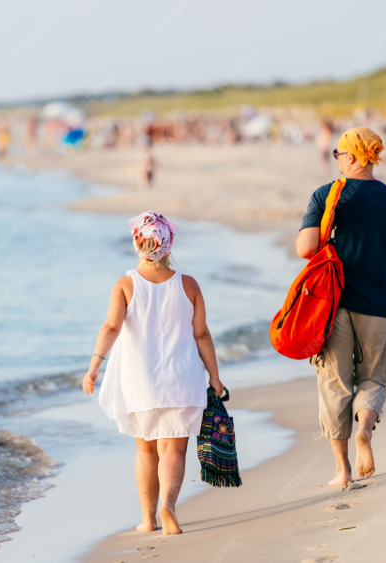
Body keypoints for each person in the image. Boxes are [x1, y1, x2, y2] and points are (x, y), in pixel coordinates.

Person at [295, 127, 386, 486]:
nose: (336, 159)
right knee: (373, 376)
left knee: (335, 383)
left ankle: (342, 471)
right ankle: (364, 429)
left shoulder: (326, 195)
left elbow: (305, 249)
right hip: (379, 306)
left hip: (332, 306)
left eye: (339, 154)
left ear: (351, 157)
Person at [83, 211, 225, 534]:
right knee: (174, 448)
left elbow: (111, 326)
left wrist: (94, 366)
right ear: (169, 244)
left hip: (140, 381)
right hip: (182, 377)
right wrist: (214, 377)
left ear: (137, 243)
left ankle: (147, 519)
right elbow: (202, 335)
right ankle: (168, 506)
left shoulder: (125, 284)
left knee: (146, 448)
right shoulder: (188, 284)